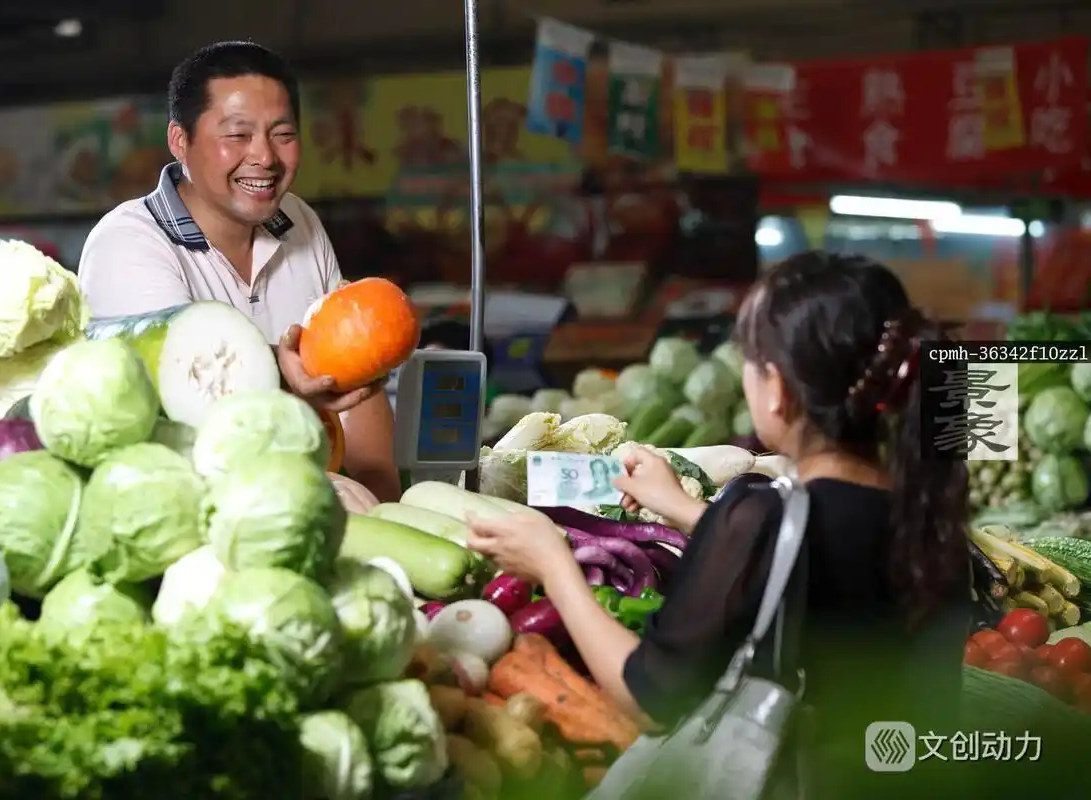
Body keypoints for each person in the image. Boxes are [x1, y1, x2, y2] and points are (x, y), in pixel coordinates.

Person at [465, 252, 973, 797]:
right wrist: (684, 509)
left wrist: (555, 565)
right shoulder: (933, 515)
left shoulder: (761, 513)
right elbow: (812, 562)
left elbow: (650, 699)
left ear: (776, 389)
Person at [77, 41, 399, 501]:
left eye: (283, 134)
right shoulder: (128, 243)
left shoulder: (300, 221)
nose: (264, 157)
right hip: (185, 507)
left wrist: (386, 511)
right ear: (179, 141)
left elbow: (356, 376)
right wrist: (286, 369)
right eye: (237, 135)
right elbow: (185, 380)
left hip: (304, 495)